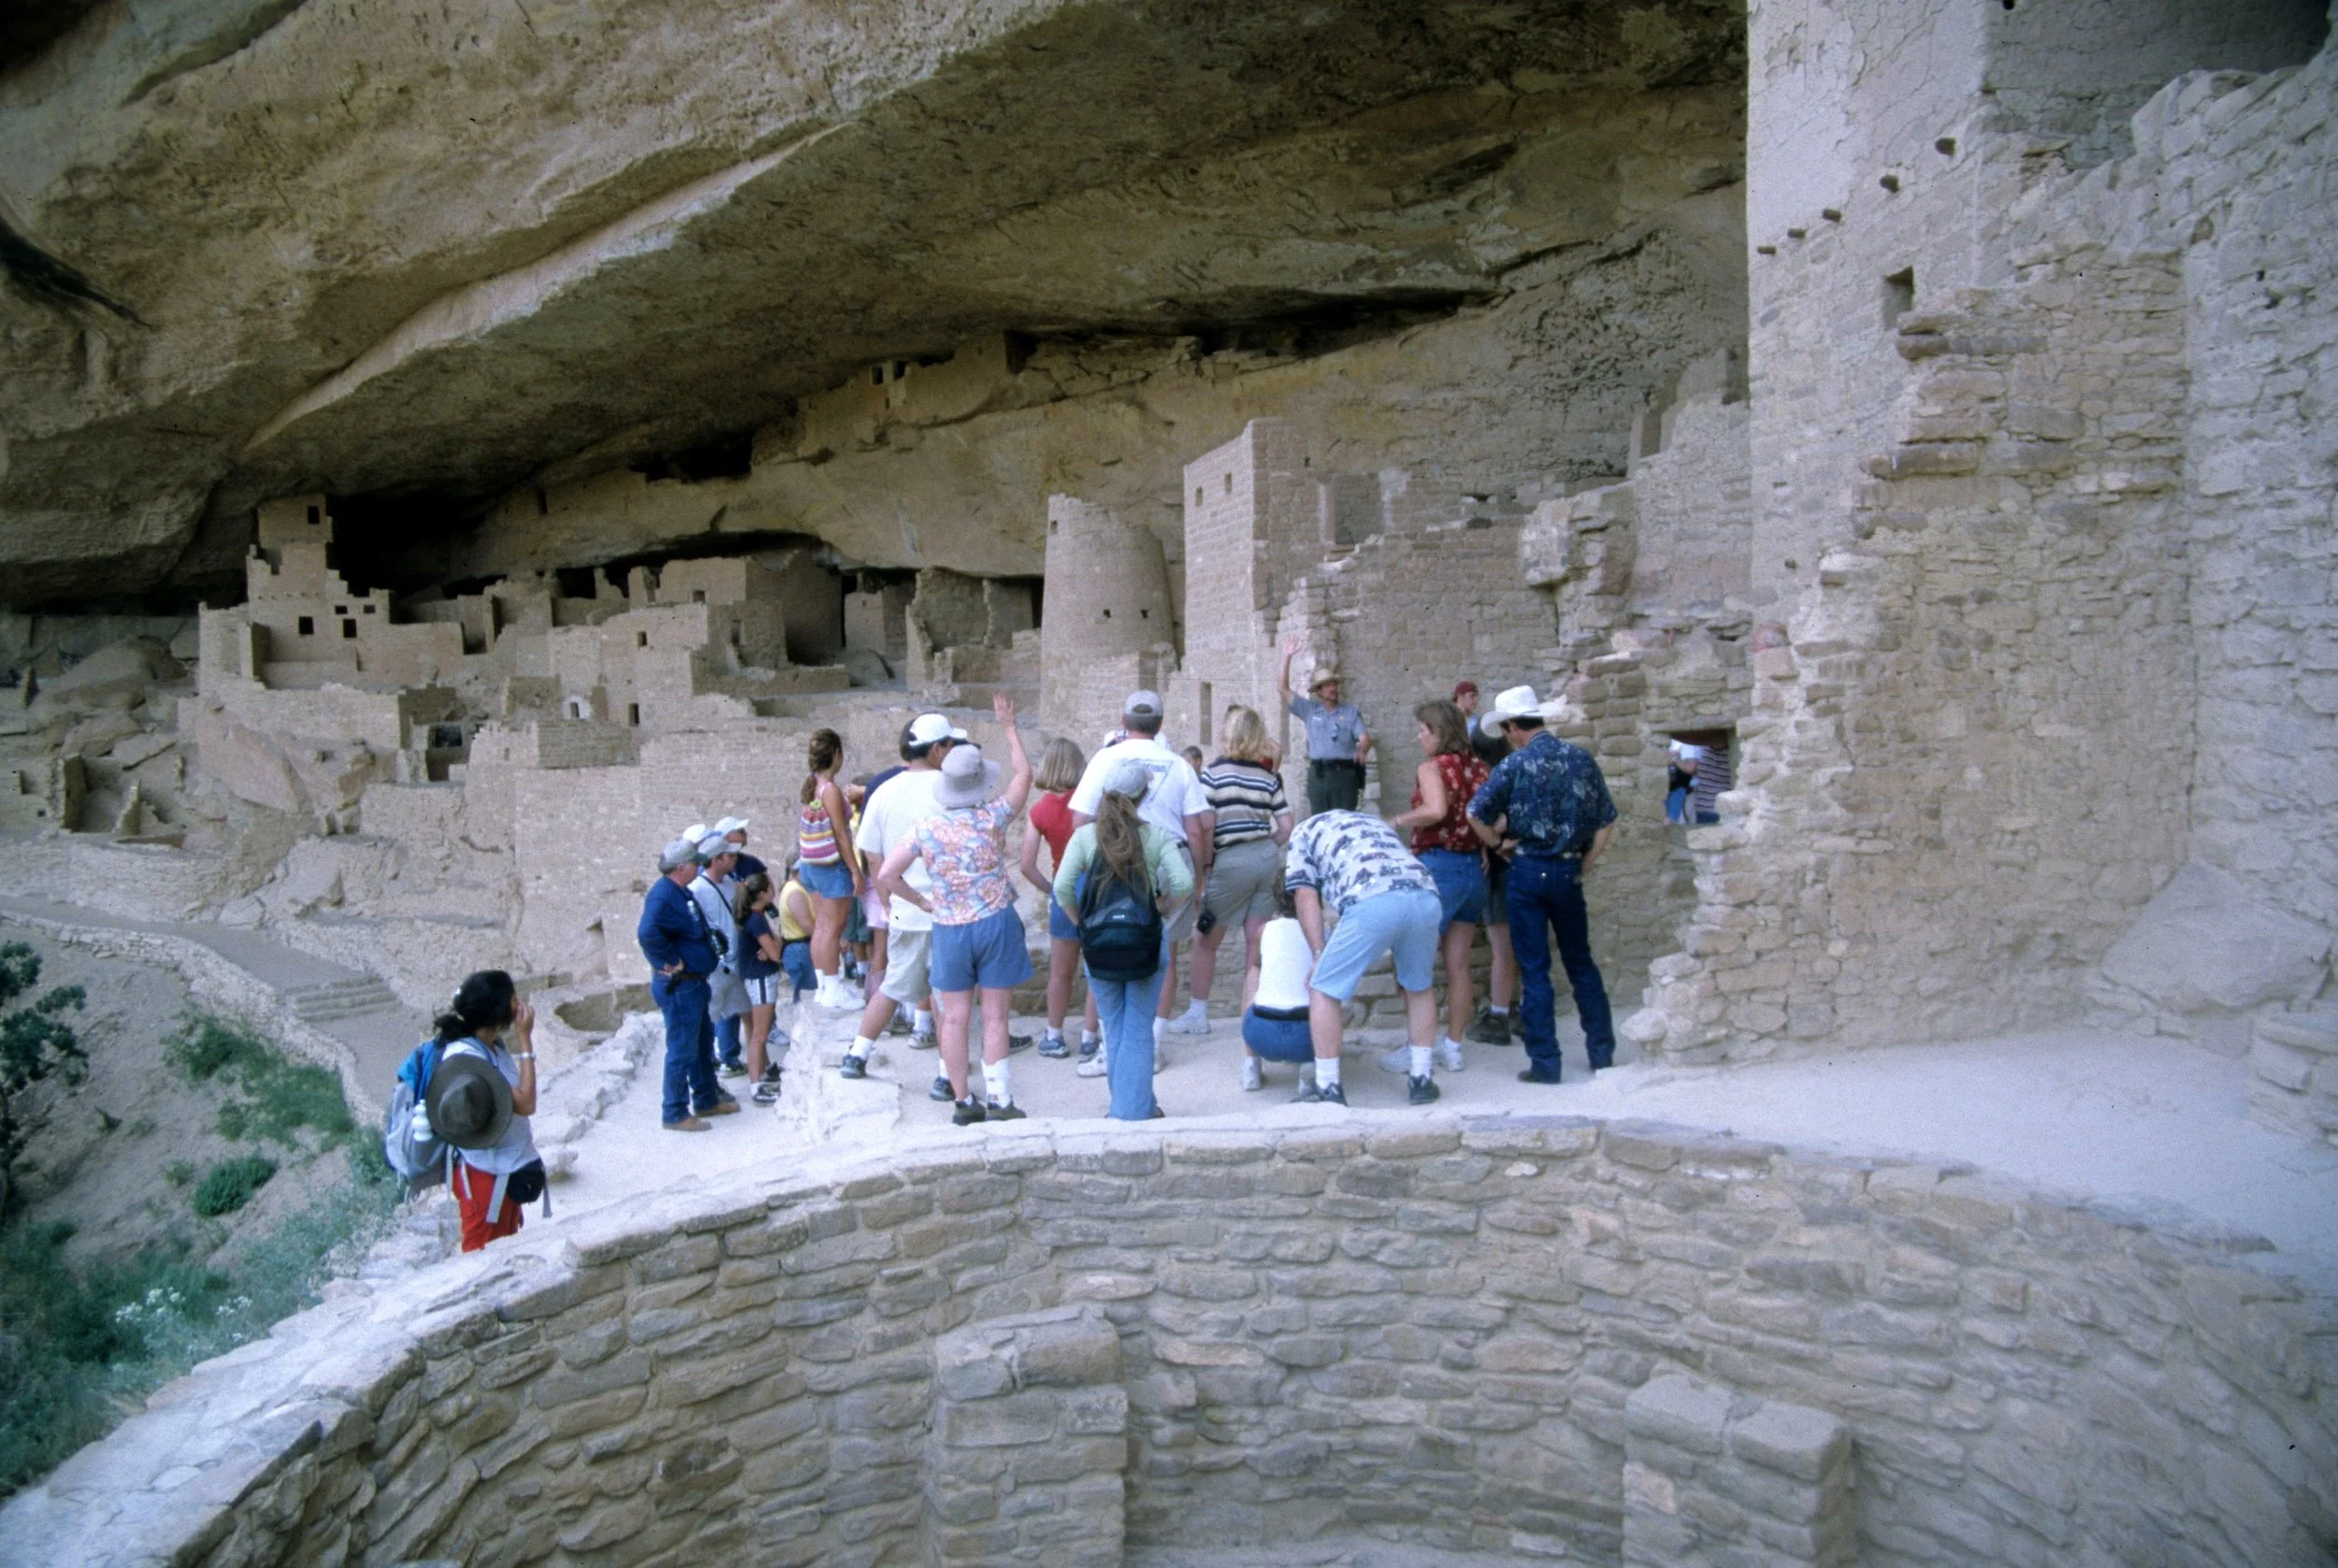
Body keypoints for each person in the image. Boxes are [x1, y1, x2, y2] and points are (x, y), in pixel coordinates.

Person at [874, 695, 1032, 1125]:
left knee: (955, 1018)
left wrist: (923, 901)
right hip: (995, 920)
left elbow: (888, 875)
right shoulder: (994, 816)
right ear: (979, 783)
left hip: (948, 927)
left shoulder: (926, 829)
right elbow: (1024, 774)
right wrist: (1009, 728)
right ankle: (1000, 1100)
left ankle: (963, 1102)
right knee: (996, 1015)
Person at [1468, 685, 1619, 1085]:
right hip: (1568, 871)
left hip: (1528, 870)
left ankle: (1546, 1064)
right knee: (1581, 963)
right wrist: (1583, 864)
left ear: (1514, 726)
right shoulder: (1581, 760)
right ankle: (1601, 1054)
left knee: (1535, 970)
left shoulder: (1513, 766)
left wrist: (1499, 846)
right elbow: (1605, 821)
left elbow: (1475, 813)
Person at [1066, 691, 1211, 1065]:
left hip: (1114, 859)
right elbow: (1196, 830)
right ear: (1160, 724)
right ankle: (1153, 1045)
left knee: (1109, 946)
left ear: (1123, 720)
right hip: (1167, 857)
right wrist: (1198, 881)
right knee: (1165, 956)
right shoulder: (1178, 765)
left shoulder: (1105, 759)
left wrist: (1089, 865)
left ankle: (1109, 1046)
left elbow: (1080, 819)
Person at [1053, 759, 1193, 1119]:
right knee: (1138, 1026)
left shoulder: (1086, 837)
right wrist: (1163, 909)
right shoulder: (1155, 836)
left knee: (1113, 1026)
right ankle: (1133, 1109)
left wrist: (1080, 922)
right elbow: (1184, 883)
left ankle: (1126, 1103)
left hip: (1100, 944)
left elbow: (1061, 887)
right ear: (1143, 796)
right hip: (1144, 939)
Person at [1282, 809, 1445, 1106]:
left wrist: (1319, 952)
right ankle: (1422, 1079)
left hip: (1372, 898)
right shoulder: (1372, 823)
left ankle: (1327, 1085)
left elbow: (1304, 895)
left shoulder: (1302, 833)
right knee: (1419, 985)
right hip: (1425, 894)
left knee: (1323, 987)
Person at [840, 713, 964, 1079]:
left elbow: (874, 856)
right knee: (947, 995)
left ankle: (857, 1053)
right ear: (937, 749)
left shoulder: (884, 791)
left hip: (903, 907)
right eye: (950, 745)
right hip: (946, 910)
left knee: (894, 984)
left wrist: (891, 899)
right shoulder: (950, 789)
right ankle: (946, 1074)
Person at [1382, 698, 1488, 1080]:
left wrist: (1397, 819)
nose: (1418, 736)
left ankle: (1417, 1048)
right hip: (1472, 871)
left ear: (1439, 732)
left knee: (1414, 963)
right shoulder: (1478, 768)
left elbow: (1437, 809)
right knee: (1458, 965)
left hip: (1438, 869)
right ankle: (1453, 1047)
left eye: (1423, 730)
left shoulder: (1432, 767)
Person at [1190, 705, 1292, 1049]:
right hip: (1265, 857)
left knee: (1207, 939)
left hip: (1229, 859)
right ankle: (1251, 1014)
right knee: (1255, 938)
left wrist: (1204, 869)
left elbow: (1206, 825)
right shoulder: (1269, 778)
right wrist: (1265, 846)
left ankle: (1197, 1014)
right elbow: (1287, 826)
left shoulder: (1214, 774)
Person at [428, 970, 541, 1252]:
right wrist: (525, 1039)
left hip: (502, 1167)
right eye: (514, 1000)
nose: (519, 1006)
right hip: (484, 1174)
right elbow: (526, 1103)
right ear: (498, 1010)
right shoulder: (467, 1058)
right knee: (481, 1254)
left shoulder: (492, 1048)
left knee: (505, 1248)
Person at [637, 837, 734, 1130]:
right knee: (682, 1048)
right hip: (681, 985)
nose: (699, 866)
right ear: (682, 868)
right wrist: (669, 960)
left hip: (694, 983)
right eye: (695, 862)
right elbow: (647, 933)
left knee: (702, 1043)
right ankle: (675, 1111)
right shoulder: (663, 896)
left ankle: (705, 1098)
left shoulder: (679, 891)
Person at [1020, 736, 1101, 1062]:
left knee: (1060, 972)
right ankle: (1089, 1037)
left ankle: (1054, 1036)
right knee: (1097, 969)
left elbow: (1025, 865)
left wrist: (1050, 889)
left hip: (1064, 887)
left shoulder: (1040, 810)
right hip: (1094, 884)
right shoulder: (1091, 804)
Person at [1452, 682, 1520, 1045]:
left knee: (1501, 946)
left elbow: (1485, 818)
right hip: (1527, 864)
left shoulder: (1492, 780)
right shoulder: (1517, 771)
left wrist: (1490, 844)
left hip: (1500, 864)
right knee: (1522, 942)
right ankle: (1523, 1009)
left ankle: (1499, 1015)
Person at [798, 728, 868, 1008]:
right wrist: (854, 870)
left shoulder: (813, 784)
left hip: (811, 864)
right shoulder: (831, 790)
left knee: (822, 928)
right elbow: (841, 835)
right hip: (831, 866)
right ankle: (833, 988)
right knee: (832, 929)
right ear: (836, 754)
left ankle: (824, 987)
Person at [1239, 887, 1320, 1094]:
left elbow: (1257, 963)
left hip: (1261, 1035)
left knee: (1253, 972)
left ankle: (1251, 1064)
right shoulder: (1321, 934)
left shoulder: (1264, 930)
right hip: (1307, 1037)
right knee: (1323, 982)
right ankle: (1310, 1069)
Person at [1278, 637, 1372, 813]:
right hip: (1319, 774)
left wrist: (1363, 749)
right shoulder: (1309, 710)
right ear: (1319, 692)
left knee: (1346, 820)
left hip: (1345, 774)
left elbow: (1364, 737)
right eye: (1328, 685)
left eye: (1334, 684)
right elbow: (1283, 689)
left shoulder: (1350, 713)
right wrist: (1287, 656)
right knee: (1320, 820)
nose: (1333, 688)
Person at [689, 831, 751, 1077]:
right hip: (715, 965)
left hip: (734, 961)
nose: (734, 860)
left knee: (734, 1009)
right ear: (716, 859)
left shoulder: (729, 885)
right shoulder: (697, 889)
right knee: (710, 1015)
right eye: (730, 856)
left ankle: (729, 1057)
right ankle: (704, 1068)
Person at [734, 873, 787, 1104]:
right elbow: (776, 954)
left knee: (758, 1032)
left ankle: (763, 1074)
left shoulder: (753, 916)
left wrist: (774, 945)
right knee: (760, 1035)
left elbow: (773, 945)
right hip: (761, 979)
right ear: (763, 893)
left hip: (756, 977)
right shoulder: (757, 920)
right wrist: (777, 945)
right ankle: (756, 1086)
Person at [1667, 738, 1704, 825]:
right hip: (1670, 791)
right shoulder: (1672, 741)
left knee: (1683, 825)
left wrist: (1673, 759)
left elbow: (1690, 767)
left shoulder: (1689, 742)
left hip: (1684, 791)